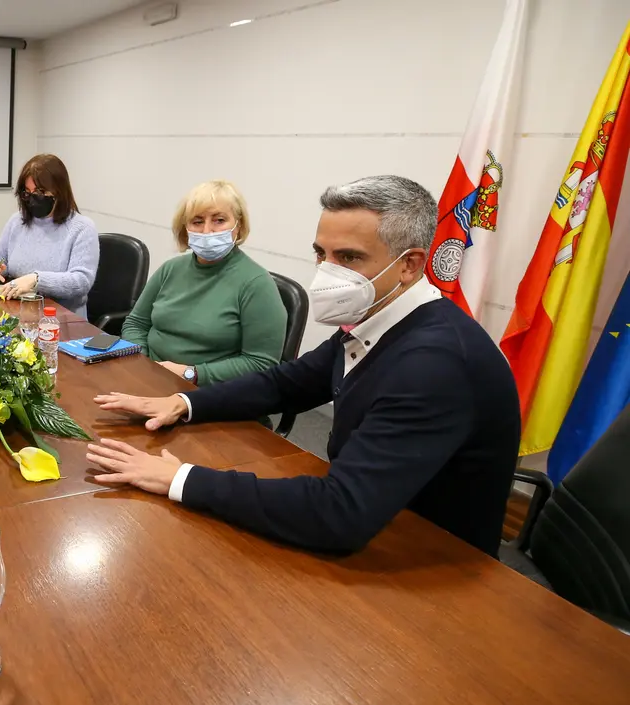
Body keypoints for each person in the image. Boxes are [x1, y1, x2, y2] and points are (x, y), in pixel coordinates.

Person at [87, 175, 521, 557]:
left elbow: (340, 512)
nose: (327, 273)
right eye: (321, 254)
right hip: (381, 519)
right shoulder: (379, 321)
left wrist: (181, 478)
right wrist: (182, 403)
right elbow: (284, 384)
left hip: (429, 558)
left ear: (409, 265)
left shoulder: (437, 363)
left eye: (348, 258)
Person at [121, 180, 287, 386]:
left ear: (239, 226)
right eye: (197, 221)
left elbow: (261, 363)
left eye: (219, 220)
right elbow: (136, 323)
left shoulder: (256, 284)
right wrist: (143, 362)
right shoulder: (170, 269)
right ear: (185, 228)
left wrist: (192, 373)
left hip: (209, 394)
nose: (207, 231)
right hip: (150, 378)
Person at [0, 154, 99, 318]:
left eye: (40, 192)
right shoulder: (17, 221)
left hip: (61, 321)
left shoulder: (82, 228)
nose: (33, 199)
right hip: (16, 313)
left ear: (59, 190)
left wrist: (36, 280)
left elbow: (81, 281)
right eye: (27, 192)